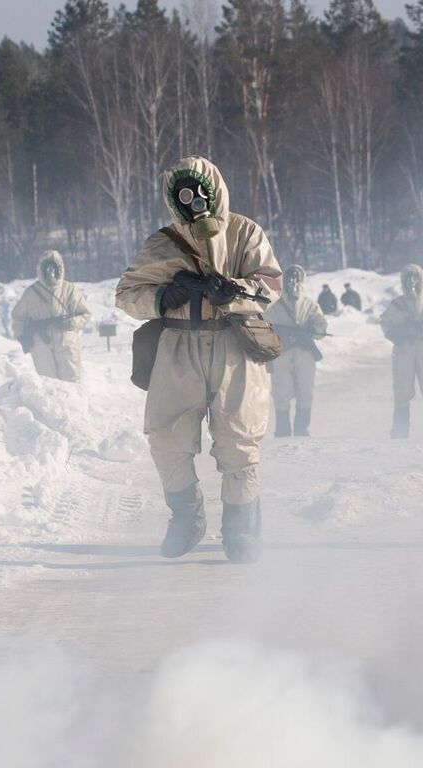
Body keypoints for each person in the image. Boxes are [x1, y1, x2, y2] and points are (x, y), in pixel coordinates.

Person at [116, 156, 282, 564]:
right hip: (178, 349)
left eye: (199, 192)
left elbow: (271, 283)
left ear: (215, 191)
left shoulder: (244, 232)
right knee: (166, 438)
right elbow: (125, 294)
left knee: (239, 441)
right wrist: (163, 296)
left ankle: (241, 530)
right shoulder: (162, 244)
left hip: (234, 346)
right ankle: (186, 519)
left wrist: (235, 290)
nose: (194, 204)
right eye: (183, 196)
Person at [379, 264, 423, 439]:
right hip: (404, 349)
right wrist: (399, 335)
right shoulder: (397, 305)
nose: (411, 282)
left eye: (414, 277)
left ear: (421, 279)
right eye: (407, 277)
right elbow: (385, 323)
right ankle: (400, 432)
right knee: (402, 390)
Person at [267, 264, 328, 437]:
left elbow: (321, 326)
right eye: (290, 278)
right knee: (281, 392)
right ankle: (282, 431)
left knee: (305, 391)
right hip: (282, 354)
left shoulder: (310, 305)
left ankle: (302, 429)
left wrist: (312, 330)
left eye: (297, 278)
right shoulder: (274, 306)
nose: (293, 282)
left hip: (305, 354)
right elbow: (264, 328)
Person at [11, 250, 91, 381]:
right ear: (41, 270)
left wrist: (71, 323)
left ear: (60, 268)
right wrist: (22, 336)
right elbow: (18, 316)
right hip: (40, 342)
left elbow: (85, 313)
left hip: (67, 341)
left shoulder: (70, 289)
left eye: (54, 267)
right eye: (47, 268)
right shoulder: (31, 293)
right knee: (49, 383)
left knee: (71, 381)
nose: (50, 271)